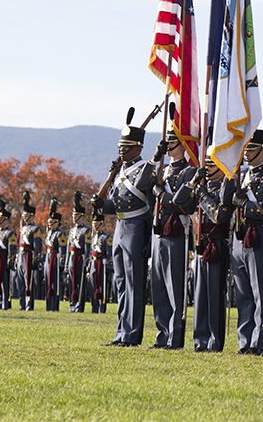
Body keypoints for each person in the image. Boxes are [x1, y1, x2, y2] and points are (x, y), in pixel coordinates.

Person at [93, 108, 157, 347]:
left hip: (136, 227)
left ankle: (132, 334)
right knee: (121, 282)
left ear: (138, 148)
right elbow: (115, 205)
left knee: (133, 283)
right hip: (120, 227)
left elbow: (145, 202)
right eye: (121, 147)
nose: (122, 150)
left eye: (127, 147)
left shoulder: (143, 170)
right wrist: (101, 204)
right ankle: (121, 332)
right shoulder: (119, 172)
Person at [231, 129, 263, 352]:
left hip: (260, 236)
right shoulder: (239, 175)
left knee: (259, 293)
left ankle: (258, 341)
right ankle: (244, 340)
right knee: (242, 294)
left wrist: (248, 206)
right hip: (239, 237)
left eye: (250, 148)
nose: (246, 153)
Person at [149, 126, 198, 350]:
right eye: (167, 143)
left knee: (173, 285)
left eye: (172, 143)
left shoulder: (189, 171)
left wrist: (163, 195)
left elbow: (184, 202)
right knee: (158, 285)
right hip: (159, 229)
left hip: (176, 229)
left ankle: (174, 337)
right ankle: (162, 334)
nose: (168, 147)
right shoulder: (164, 168)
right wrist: (155, 157)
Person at [192, 155, 233, 352]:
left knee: (214, 295)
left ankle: (214, 340)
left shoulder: (225, 186)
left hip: (216, 244)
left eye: (210, 165)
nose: (207, 169)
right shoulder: (203, 186)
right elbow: (179, 202)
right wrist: (193, 184)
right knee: (200, 295)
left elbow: (219, 215)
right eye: (205, 165)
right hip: (201, 244)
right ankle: (200, 340)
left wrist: (202, 195)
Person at [68, 192, 92, 313]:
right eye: (73, 215)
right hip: (72, 258)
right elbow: (69, 247)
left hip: (81, 258)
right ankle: (72, 303)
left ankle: (79, 305)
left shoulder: (86, 231)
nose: (73, 217)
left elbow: (88, 249)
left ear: (81, 216)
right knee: (71, 282)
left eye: (75, 215)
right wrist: (68, 262)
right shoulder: (71, 230)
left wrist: (86, 262)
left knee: (80, 283)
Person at [17, 191, 40, 311]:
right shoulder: (22, 229)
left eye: (27, 216)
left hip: (29, 255)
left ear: (32, 216)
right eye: (23, 216)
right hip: (21, 255)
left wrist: (36, 259)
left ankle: (28, 304)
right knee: (20, 281)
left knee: (28, 282)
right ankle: (22, 303)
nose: (24, 218)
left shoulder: (35, 229)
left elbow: (38, 246)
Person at [0, 196, 14, 310]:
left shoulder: (10, 233)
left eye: (1, 220)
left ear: (7, 221)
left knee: (5, 282)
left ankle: (5, 303)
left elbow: (12, 249)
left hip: (4, 258)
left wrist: (11, 260)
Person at [44, 198, 64, 312]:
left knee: (54, 283)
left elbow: (62, 248)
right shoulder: (49, 233)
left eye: (52, 222)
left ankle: (54, 306)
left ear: (57, 222)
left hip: (55, 257)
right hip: (48, 256)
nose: (50, 224)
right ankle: (48, 305)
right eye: (49, 222)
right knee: (47, 280)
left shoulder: (60, 234)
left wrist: (61, 261)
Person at [89, 210, 109, 314]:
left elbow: (109, 253)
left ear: (101, 224)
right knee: (93, 284)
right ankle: (94, 306)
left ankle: (102, 307)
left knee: (102, 285)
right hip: (93, 262)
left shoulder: (106, 237)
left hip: (102, 263)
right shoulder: (93, 238)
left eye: (96, 224)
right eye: (93, 224)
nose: (95, 226)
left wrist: (107, 264)